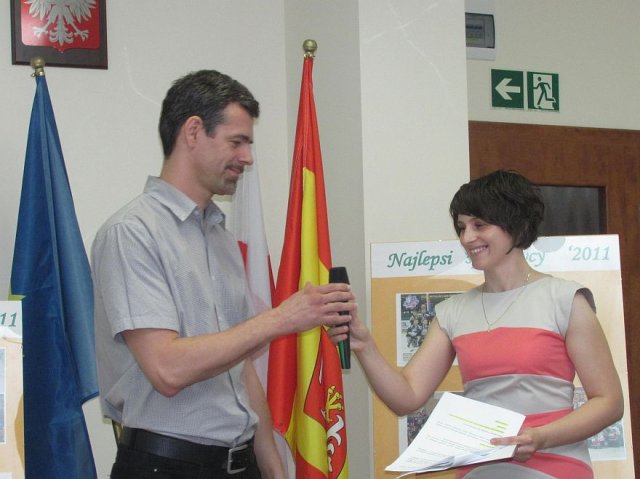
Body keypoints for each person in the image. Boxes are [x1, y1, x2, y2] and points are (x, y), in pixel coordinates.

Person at [92, 70, 355, 479]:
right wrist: (282, 318)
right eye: (237, 141)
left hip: (241, 463)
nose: (248, 158)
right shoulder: (132, 233)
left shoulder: (220, 237)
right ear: (193, 131)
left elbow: (240, 364)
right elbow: (167, 370)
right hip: (166, 466)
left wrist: (272, 463)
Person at [329, 169, 623, 478]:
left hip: (556, 465)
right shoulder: (453, 311)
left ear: (516, 225)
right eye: (461, 227)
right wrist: (364, 345)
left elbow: (609, 402)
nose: (467, 238)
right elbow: (408, 397)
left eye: (479, 225)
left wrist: (540, 437)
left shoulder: (564, 299)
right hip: (479, 469)